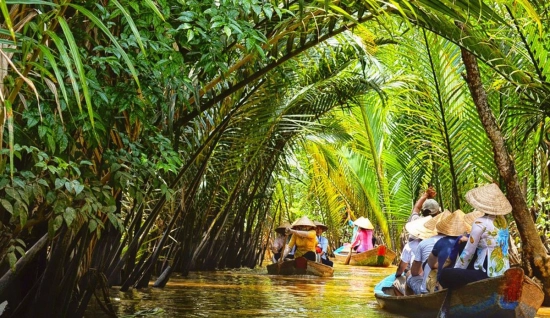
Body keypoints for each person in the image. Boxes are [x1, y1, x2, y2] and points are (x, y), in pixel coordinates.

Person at [439, 183, 513, 289]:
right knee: (463, 243)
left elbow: (468, 252)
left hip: (486, 274)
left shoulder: (480, 222)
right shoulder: (503, 222)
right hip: (503, 272)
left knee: (445, 274)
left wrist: (457, 271)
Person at [425, 210, 470, 292]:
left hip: (445, 283)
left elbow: (431, 264)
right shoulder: (471, 241)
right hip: (465, 282)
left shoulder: (441, 242)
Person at [406, 210, 449, 294]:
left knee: (409, 274)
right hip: (447, 288)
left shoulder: (424, 243)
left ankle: (406, 300)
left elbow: (414, 272)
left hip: (427, 290)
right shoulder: (458, 242)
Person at [393, 216, 434, 295]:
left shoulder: (411, 245)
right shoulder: (439, 242)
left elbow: (402, 268)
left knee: (404, 277)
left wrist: (397, 275)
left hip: (423, 284)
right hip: (435, 282)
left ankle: (408, 298)